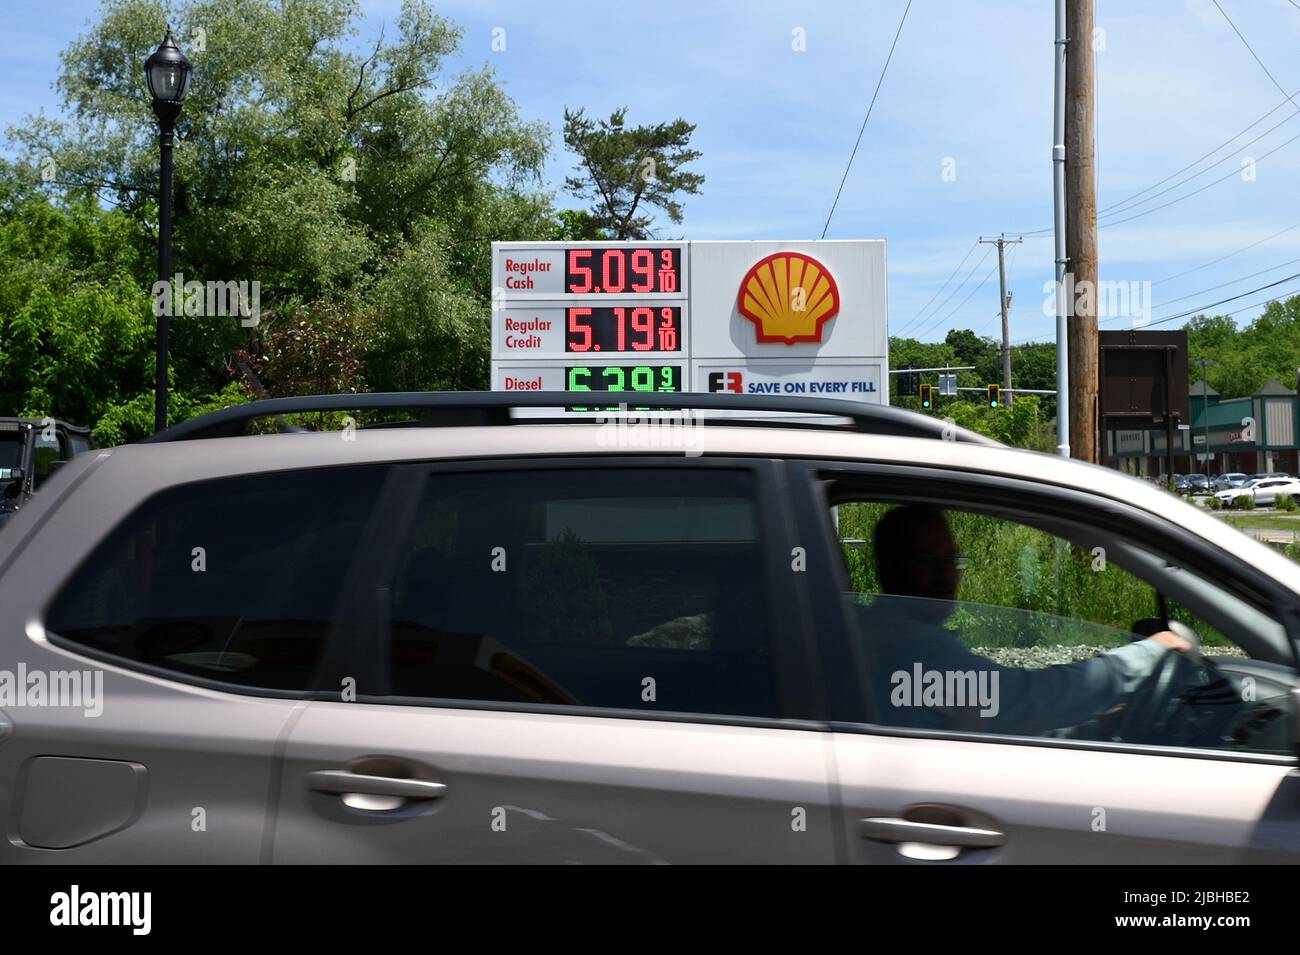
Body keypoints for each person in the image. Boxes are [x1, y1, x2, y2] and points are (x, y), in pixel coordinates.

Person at [863, 504, 1190, 736]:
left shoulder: (885, 635)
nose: (945, 573)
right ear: (890, 567)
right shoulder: (914, 648)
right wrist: (1148, 653)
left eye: (950, 558)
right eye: (925, 560)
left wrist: (1095, 726)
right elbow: (1029, 697)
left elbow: (1003, 722)